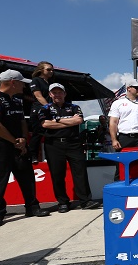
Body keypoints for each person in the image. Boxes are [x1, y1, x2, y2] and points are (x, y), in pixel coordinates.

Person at [0, 70, 50, 227]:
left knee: (27, 176)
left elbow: (22, 121)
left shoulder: (18, 99)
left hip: (18, 143)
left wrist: (23, 140)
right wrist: (14, 141)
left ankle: (32, 207)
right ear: (13, 82)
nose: (24, 86)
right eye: (21, 83)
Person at [38, 83, 99, 213]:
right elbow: (45, 124)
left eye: (60, 92)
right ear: (50, 94)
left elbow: (78, 121)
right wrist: (68, 121)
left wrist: (57, 121)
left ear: (64, 94)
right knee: (57, 174)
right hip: (54, 145)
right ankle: (63, 202)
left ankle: (85, 201)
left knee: (80, 172)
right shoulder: (45, 108)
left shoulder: (74, 107)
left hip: (74, 143)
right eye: (54, 92)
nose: (57, 95)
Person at [108, 79, 138, 180]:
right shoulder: (118, 103)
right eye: (137, 87)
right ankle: (118, 190)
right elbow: (113, 122)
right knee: (120, 165)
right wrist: (114, 139)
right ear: (128, 88)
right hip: (124, 137)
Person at [28, 61, 54, 163]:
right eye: (48, 69)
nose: (51, 72)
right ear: (41, 70)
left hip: (50, 110)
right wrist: (48, 106)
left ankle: (50, 156)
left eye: (52, 70)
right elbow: (38, 96)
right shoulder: (36, 80)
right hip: (39, 109)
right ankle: (33, 156)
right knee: (37, 134)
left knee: (50, 134)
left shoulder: (51, 83)